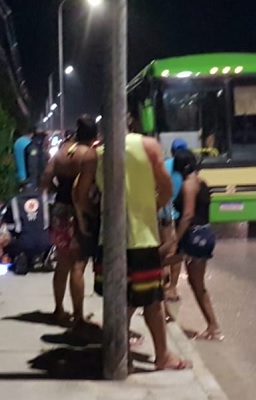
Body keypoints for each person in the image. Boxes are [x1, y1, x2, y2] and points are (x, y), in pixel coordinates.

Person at [76, 117, 191, 370]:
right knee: (152, 300)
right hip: (143, 239)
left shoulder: (94, 155)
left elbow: (80, 196)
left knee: (118, 300)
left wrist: (95, 216)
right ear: (128, 119)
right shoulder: (148, 146)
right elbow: (166, 188)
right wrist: (148, 207)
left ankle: (120, 356)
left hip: (110, 241)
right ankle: (162, 356)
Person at [40, 115, 99, 328]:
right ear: (94, 135)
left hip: (58, 210)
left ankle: (58, 309)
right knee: (78, 265)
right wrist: (86, 216)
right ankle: (78, 316)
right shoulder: (89, 155)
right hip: (77, 213)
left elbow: (44, 182)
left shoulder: (61, 152)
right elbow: (81, 194)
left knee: (62, 263)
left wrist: (60, 191)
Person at [171, 149, 223, 341]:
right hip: (204, 234)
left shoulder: (188, 185)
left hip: (194, 236)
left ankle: (213, 327)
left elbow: (188, 215)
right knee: (194, 283)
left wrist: (175, 240)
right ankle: (212, 326)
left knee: (196, 283)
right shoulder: (201, 183)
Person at [0, 182, 52, 275]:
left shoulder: (15, 201)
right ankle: (44, 256)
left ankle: (21, 258)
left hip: (24, 242)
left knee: (10, 239)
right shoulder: (44, 199)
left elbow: (6, 222)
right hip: (45, 241)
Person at [161, 138, 188, 302]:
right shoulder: (189, 166)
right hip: (181, 214)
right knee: (176, 251)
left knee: (165, 249)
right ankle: (173, 288)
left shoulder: (165, 165)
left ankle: (163, 283)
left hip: (165, 213)